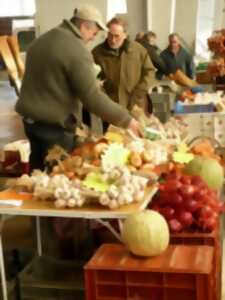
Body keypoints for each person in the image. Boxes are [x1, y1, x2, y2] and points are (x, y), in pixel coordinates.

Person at [15, 4, 140, 171]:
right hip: (54, 128)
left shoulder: (43, 40)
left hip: (31, 122)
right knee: (58, 179)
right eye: (94, 33)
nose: (92, 39)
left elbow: (50, 80)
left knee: (37, 173)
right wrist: (126, 120)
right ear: (84, 26)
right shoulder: (75, 48)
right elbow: (92, 97)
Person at [92, 17, 156, 131]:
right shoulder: (97, 53)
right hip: (112, 109)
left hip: (136, 106)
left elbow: (150, 72)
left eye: (117, 36)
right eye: (110, 35)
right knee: (114, 144)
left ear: (125, 34)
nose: (112, 40)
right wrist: (104, 99)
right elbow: (93, 79)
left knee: (137, 143)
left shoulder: (138, 50)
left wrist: (139, 91)